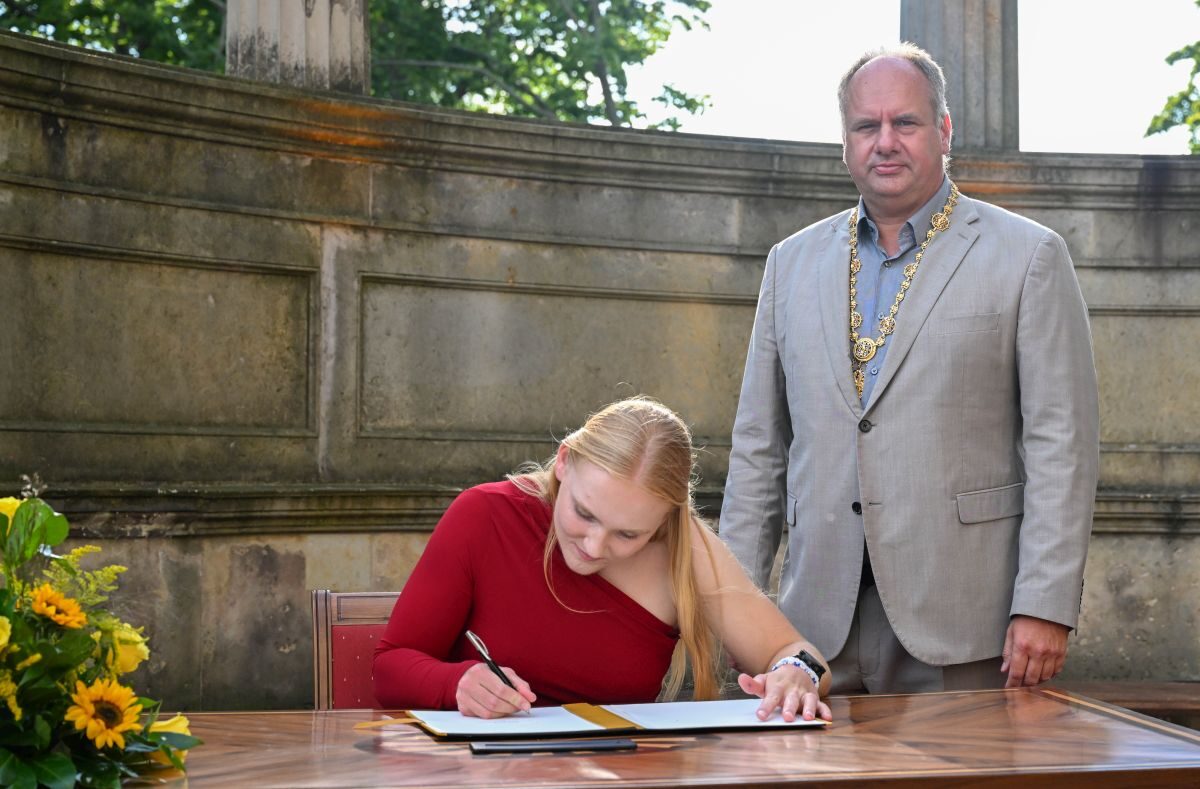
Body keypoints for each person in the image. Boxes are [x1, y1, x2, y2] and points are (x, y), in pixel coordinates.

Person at [720, 43, 1099, 695]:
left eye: (906, 123)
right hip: (810, 636)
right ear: (845, 142)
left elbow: (1062, 445)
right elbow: (758, 450)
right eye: (867, 126)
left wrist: (1044, 600)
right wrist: (734, 610)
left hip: (964, 624)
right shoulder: (789, 263)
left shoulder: (1028, 257)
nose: (885, 141)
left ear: (944, 131)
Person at [374, 397, 833, 721]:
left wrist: (795, 675)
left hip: (620, 775)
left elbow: (796, 655)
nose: (594, 547)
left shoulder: (683, 547)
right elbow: (390, 665)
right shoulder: (484, 515)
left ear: (663, 522)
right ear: (563, 462)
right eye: (584, 513)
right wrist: (456, 682)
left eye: (628, 534)